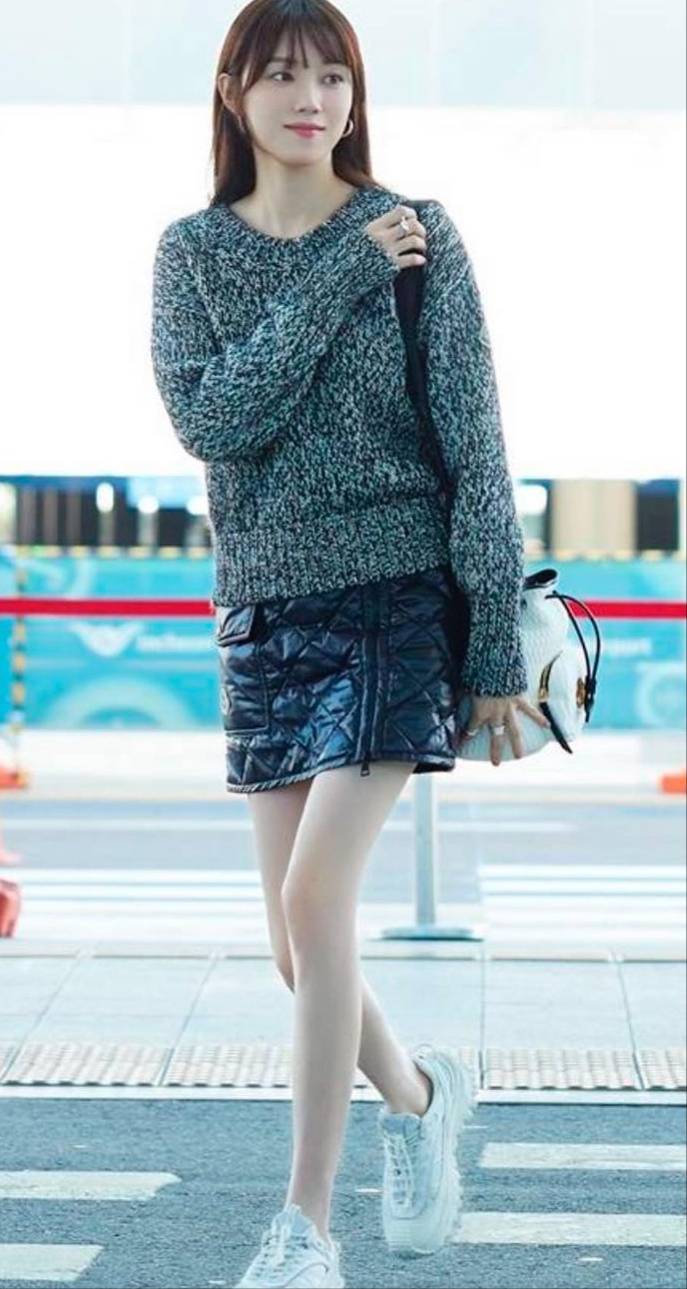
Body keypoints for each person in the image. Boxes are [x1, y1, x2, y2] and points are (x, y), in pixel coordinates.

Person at [150, 2, 551, 1284]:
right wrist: (335, 275)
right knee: (295, 943)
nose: (311, 98)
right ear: (235, 93)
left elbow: (476, 441)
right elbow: (216, 420)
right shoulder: (192, 253)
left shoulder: (420, 235)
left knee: (317, 899)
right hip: (264, 610)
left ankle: (304, 1227)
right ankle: (423, 1097)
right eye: (281, 75)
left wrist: (492, 648)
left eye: (332, 75)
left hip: (392, 598)